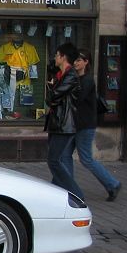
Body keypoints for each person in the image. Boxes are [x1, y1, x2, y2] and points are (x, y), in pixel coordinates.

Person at [67, 49, 121, 201]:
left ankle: (113, 183)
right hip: (75, 124)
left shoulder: (87, 80)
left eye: (79, 60)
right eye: (75, 60)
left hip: (85, 125)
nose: (76, 63)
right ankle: (64, 187)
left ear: (86, 62)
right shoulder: (77, 78)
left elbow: (77, 99)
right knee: (62, 156)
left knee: (86, 159)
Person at [44, 43, 84, 199]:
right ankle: (55, 194)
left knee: (54, 161)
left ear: (63, 57)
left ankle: (77, 195)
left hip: (65, 124)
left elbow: (52, 97)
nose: (54, 58)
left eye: (56, 55)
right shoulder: (61, 75)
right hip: (57, 123)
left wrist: (51, 94)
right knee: (56, 160)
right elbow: (54, 98)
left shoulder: (71, 76)